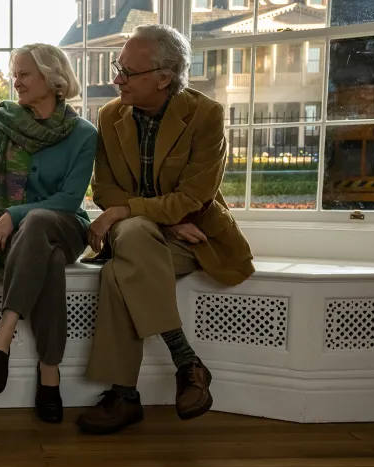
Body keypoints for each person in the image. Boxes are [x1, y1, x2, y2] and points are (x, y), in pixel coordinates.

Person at [76, 25, 255, 435]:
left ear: (164, 77)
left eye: (127, 71)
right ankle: (186, 361)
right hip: (155, 233)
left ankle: (124, 395)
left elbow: (194, 196)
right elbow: (104, 188)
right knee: (136, 233)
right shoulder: (109, 116)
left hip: (194, 237)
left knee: (115, 272)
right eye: (117, 67)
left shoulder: (206, 115)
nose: (116, 79)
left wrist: (140, 215)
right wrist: (160, 220)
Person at [0, 43, 97, 424]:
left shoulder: (84, 133)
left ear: (52, 78)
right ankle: (50, 375)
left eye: (25, 74)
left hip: (65, 225)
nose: (16, 81)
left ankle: (2, 338)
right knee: (51, 262)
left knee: (41, 221)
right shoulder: (3, 121)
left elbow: (69, 198)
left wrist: (14, 214)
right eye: (16, 73)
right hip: (25, 242)